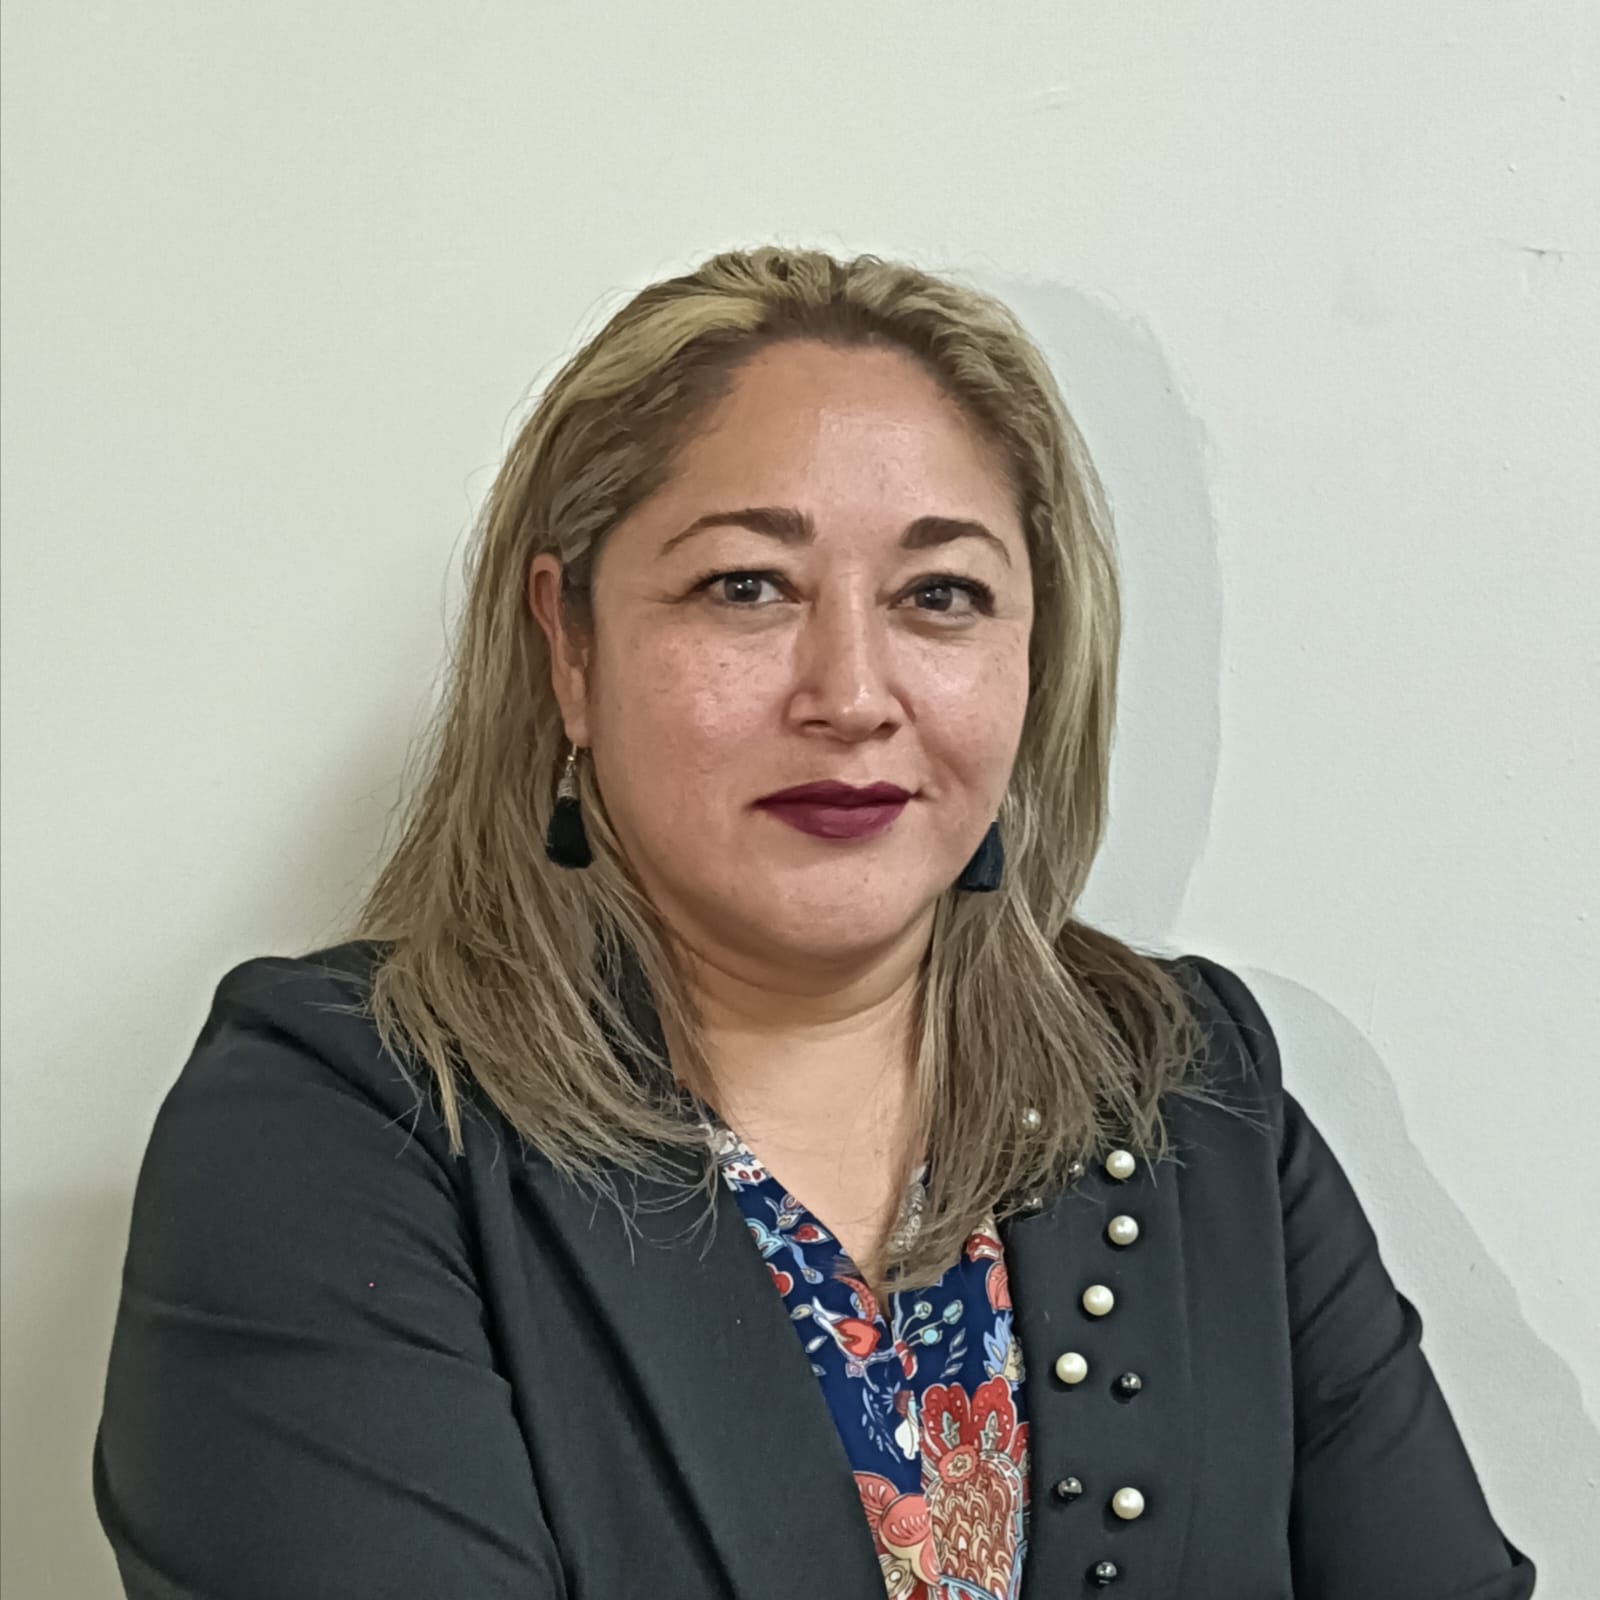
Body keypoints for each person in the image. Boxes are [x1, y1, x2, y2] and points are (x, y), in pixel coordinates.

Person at [93, 246, 1535, 1599]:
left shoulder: (1188, 1085)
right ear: (570, 645)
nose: (850, 694)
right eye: (746, 587)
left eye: (942, 595)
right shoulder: (342, 1121)